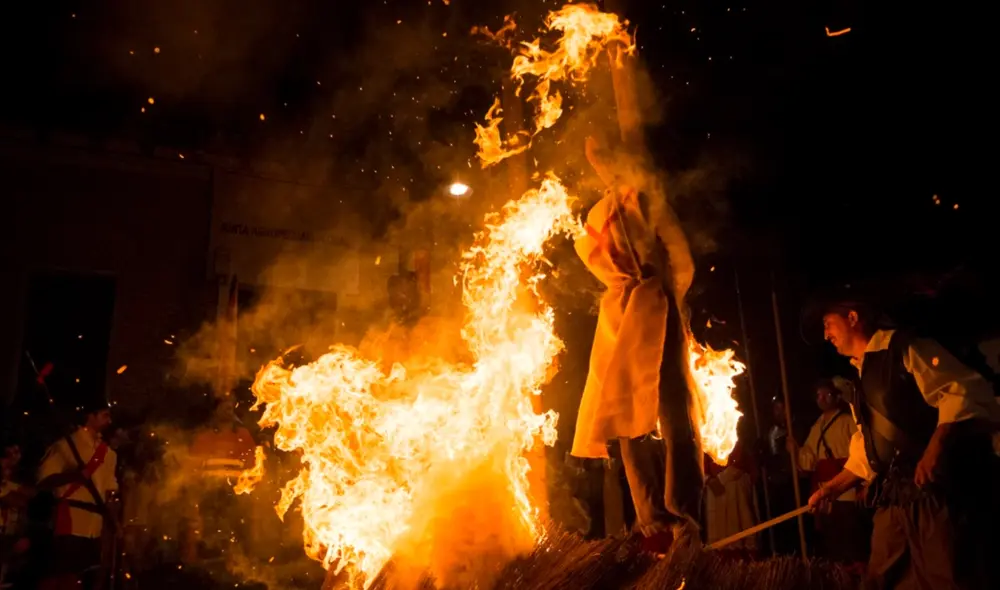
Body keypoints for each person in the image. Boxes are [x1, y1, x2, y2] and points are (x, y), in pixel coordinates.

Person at [807, 298, 1000, 588]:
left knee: (946, 578)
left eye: (827, 324)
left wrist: (936, 447)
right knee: (882, 579)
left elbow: (960, 391)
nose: (825, 335)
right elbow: (868, 448)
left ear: (852, 317)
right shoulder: (860, 376)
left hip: (933, 496)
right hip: (894, 499)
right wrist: (831, 488)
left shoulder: (905, 348)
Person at [569, 135, 703, 551]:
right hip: (645, 306)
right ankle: (668, 512)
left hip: (630, 310)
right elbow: (680, 260)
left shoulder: (614, 207)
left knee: (632, 413)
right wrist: (674, 296)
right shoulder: (624, 204)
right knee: (664, 413)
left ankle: (660, 513)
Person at [36, 399, 119, 590]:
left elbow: (110, 490)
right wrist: (75, 475)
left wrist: (114, 520)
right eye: (105, 415)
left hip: (96, 524)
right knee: (61, 577)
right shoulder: (65, 445)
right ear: (91, 416)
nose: (110, 421)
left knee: (86, 577)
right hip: (70, 519)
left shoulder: (109, 454)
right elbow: (43, 480)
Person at [788, 377, 868, 564]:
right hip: (825, 491)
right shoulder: (818, 425)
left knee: (851, 541)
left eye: (827, 395)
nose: (822, 399)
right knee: (832, 543)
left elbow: (864, 453)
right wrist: (796, 450)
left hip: (848, 489)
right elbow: (809, 460)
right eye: (818, 395)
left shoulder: (849, 421)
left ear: (837, 397)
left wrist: (864, 485)